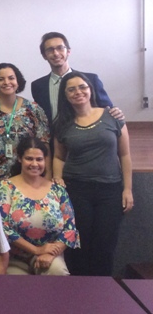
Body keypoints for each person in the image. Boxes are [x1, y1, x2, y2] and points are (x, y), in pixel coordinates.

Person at [52, 71, 134, 276]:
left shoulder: (113, 116)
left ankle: (102, 291)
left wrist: (127, 189)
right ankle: (79, 291)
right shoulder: (62, 123)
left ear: (90, 90)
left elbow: (125, 155)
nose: (78, 92)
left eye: (82, 87)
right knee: (79, 246)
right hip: (76, 191)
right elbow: (59, 157)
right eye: (71, 89)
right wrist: (57, 179)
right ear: (65, 95)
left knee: (104, 247)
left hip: (110, 191)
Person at [0, 136, 79, 275]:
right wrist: (37, 250)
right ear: (20, 159)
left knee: (59, 273)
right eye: (29, 159)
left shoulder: (57, 190)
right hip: (13, 256)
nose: (34, 164)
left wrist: (50, 253)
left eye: (39, 159)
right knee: (15, 284)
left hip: (50, 255)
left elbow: (70, 229)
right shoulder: (5, 188)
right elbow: (1, 227)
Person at [0, 63, 50, 192]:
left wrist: (48, 174)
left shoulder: (33, 109)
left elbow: (44, 145)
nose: (6, 82)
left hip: (29, 175)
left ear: (18, 82)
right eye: (1, 79)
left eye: (11, 78)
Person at [30, 32, 114, 124]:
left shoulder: (91, 80)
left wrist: (116, 112)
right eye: (50, 50)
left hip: (90, 131)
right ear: (44, 56)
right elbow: (41, 118)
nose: (56, 53)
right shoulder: (38, 86)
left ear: (68, 51)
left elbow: (108, 110)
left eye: (60, 48)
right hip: (56, 133)